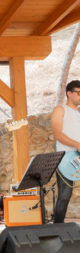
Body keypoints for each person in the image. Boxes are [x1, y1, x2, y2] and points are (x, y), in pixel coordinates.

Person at [52, 80, 80, 223]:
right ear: (69, 93)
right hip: (65, 158)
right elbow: (58, 135)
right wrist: (77, 144)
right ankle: (57, 227)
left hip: (78, 157)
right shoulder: (60, 110)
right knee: (65, 194)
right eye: (79, 92)